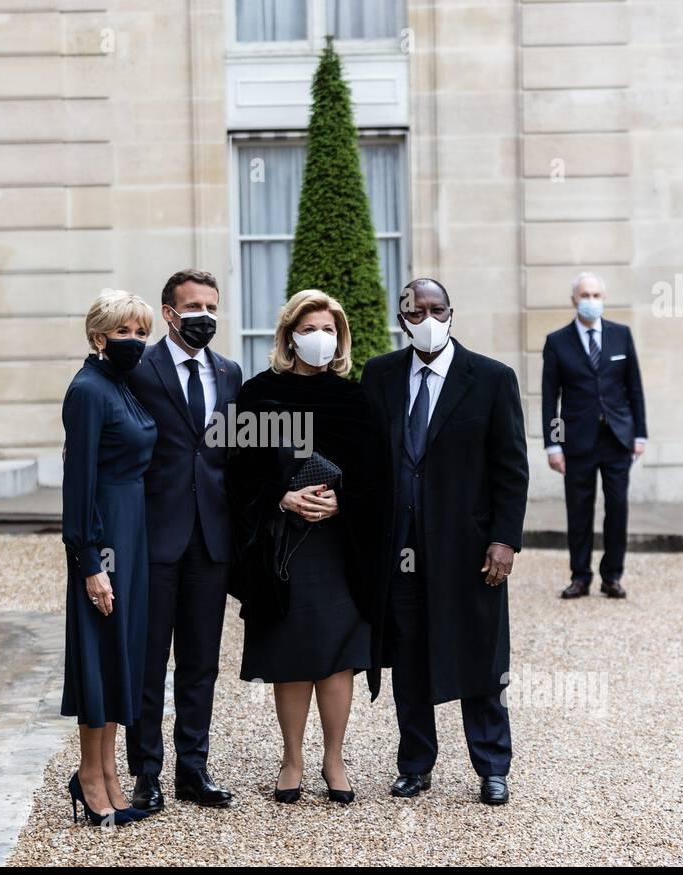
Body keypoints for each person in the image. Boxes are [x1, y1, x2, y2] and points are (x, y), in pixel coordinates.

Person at [361, 277, 528, 806]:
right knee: (409, 658)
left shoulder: (492, 378)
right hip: (400, 550)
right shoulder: (380, 375)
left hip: (469, 550)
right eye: (417, 310)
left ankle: (492, 766)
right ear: (402, 317)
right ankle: (414, 763)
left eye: (437, 309)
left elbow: (511, 469)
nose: (427, 318)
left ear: (451, 313)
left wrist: (505, 540)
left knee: (480, 657)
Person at [226, 289, 382, 804]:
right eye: (311, 328)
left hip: (341, 545)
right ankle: (291, 757)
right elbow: (236, 473)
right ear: (290, 335)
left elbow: (378, 477)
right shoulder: (256, 394)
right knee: (292, 650)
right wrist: (283, 497)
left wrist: (344, 503)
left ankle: (333, 758)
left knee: (337, 654)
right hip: (281, 545)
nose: (321, 337)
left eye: (330, 329)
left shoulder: (355, 398)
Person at [124, 270, 240, 812]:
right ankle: (147, 773)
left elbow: (231, 457)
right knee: (149, 662)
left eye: (212, 306)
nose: (205, 316)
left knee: (200, 662)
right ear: (169, 313)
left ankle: (193, 769)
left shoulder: (230, 372)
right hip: (153, 537)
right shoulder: (139, 370)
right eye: (194, 306)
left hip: (211, 540)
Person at [60, 289, 157, 827]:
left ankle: (112, 774)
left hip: (134, 533)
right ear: (99, 337)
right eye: (125, 333)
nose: (136, 342)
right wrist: (90, 561)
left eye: (141, 332)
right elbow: (79, 483)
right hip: (104, 541)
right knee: (99, 655)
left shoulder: (120, 385)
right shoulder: (88, 391)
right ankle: (89, 778)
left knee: (122, 655)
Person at [541, 271, 648, 599]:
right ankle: (580, 575)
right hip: (578, 441)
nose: (591, 301)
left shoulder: (621, 335)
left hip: (617, 438)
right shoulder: (557, 342)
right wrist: (553, 444)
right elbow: (550, 398)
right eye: (585, 295)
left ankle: (612, 575)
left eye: (596, 295)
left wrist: (640, 434)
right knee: (579, 509)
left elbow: (634, 388)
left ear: (604, 299)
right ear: (574, 300)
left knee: (617, 507)